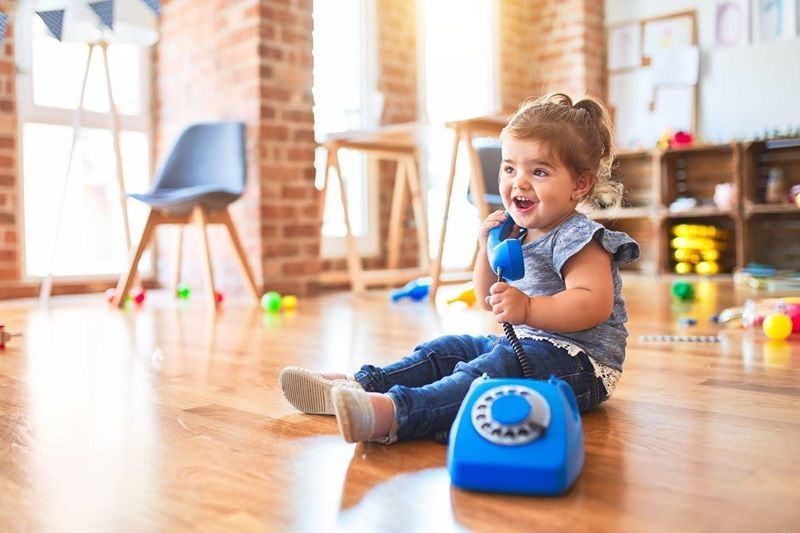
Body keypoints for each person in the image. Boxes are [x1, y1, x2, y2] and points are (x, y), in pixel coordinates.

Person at [280, 93, 640, 444]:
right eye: (510, 168)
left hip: (581, 367)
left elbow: (593, 303)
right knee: (447, 349)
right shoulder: (519, 231)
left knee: (486, 373)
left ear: (580, 184)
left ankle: (393, 413)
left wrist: (529, 308)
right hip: (525, 345)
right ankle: (359, 386)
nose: (519, 182)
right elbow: (487, 298)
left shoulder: (581, 236)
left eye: (540, 171)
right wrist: (488, 248)